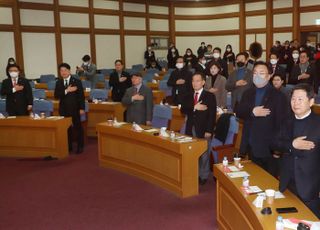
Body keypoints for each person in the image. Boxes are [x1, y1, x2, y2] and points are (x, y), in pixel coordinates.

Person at [272, 84, 320, 218]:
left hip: (311, 188)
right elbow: (274, 143)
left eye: (300, 99)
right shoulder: (286, 121)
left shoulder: (318, 123)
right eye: (293, 99)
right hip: (287, 184)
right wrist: (292, 144)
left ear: (311, 102)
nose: (295, 103)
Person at [235, 61, 288, 176]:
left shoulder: (278, 96)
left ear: (269, 76)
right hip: (250, 144)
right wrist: (252, 111)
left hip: (269, 148)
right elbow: (239, 111)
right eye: (255, 73)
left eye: (261, 73)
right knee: (254, 180)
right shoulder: (248, 93)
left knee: (269, 183)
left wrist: (278, 150)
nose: (257, 76)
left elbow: (282, 124)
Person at [181, 72, 216, 185]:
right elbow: (183, 110)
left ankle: (203, 175)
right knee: (192, 152)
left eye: (197, 81)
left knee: (204, 154)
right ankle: (194, 174)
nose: (195, 83)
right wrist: (194, 107)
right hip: (190, 128)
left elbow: (212, 115)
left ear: (203, 82)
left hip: (204, 129)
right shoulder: (188, 95)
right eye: (193, 81)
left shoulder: (209, 96)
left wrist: (209, 130)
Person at [55, 63, 85, 154]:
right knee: (66, 128)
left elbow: (81, 96)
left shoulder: (76, 81)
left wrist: (81, 108)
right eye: (61, 70)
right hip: (63, 109)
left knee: (78, 127)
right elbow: (56, 96)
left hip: (75, 108)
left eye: (65, 70)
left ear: (69, 71)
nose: (63, 72)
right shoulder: (59, 82)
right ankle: (69, 146)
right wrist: (66, 90)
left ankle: (80, 146)